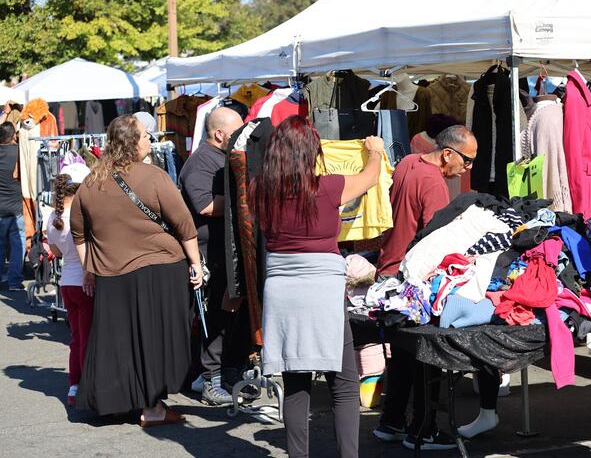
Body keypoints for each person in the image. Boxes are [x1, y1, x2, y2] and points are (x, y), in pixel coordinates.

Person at [249, 115, 384, 458]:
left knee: (296, 381)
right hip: (323, 291)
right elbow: (370, 178)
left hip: (282, 291)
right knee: (344, 382)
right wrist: (375, 150)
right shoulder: (327, 187)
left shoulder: (258, 190)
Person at [70, 115, 203, 426]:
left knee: (120, 341)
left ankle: (118, 402)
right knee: (156, 341)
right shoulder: (154, 176)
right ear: (132, 143)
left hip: (112, 275)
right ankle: (153, 409)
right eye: (145, 136)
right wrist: (196, 263)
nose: (149, 141)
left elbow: (78, 233)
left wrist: (91, 267)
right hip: (160, 270)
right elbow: (185, 226)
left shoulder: (91, 183)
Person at [374, 125, 478, 451]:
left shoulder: (407, 163)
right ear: (447, 153)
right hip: (412, 280)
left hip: (389, 271)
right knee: (425, 356)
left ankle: (391, 422)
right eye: (466, 160)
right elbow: (438, 245)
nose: (467, 168)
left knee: (403, 355)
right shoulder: (435, 183)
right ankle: (423, 430)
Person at [179, 107, 244, 406]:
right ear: (219, 134)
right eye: (236, 131)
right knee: (212, 318)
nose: (240, 136)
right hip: (207, 256)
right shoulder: (200, 162)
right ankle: (209, 382)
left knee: (224, 317)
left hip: (222, 251)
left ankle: (212, 376)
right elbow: (203, 205)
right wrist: (243, 200)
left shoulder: (221, 157)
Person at [45, 163, 92, 406]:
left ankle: (74, 385)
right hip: (85, 284)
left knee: (76, 338)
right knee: (86, 338)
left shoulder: (54, 216)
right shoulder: (83, 214)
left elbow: (55, 251)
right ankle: (86, 385)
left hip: (66, 284)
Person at [0, 121, 24, 291]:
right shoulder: (19, 152)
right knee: (17, 246)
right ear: (14, 136)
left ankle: (2, 278)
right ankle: (14, 282)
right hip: (17, 208)